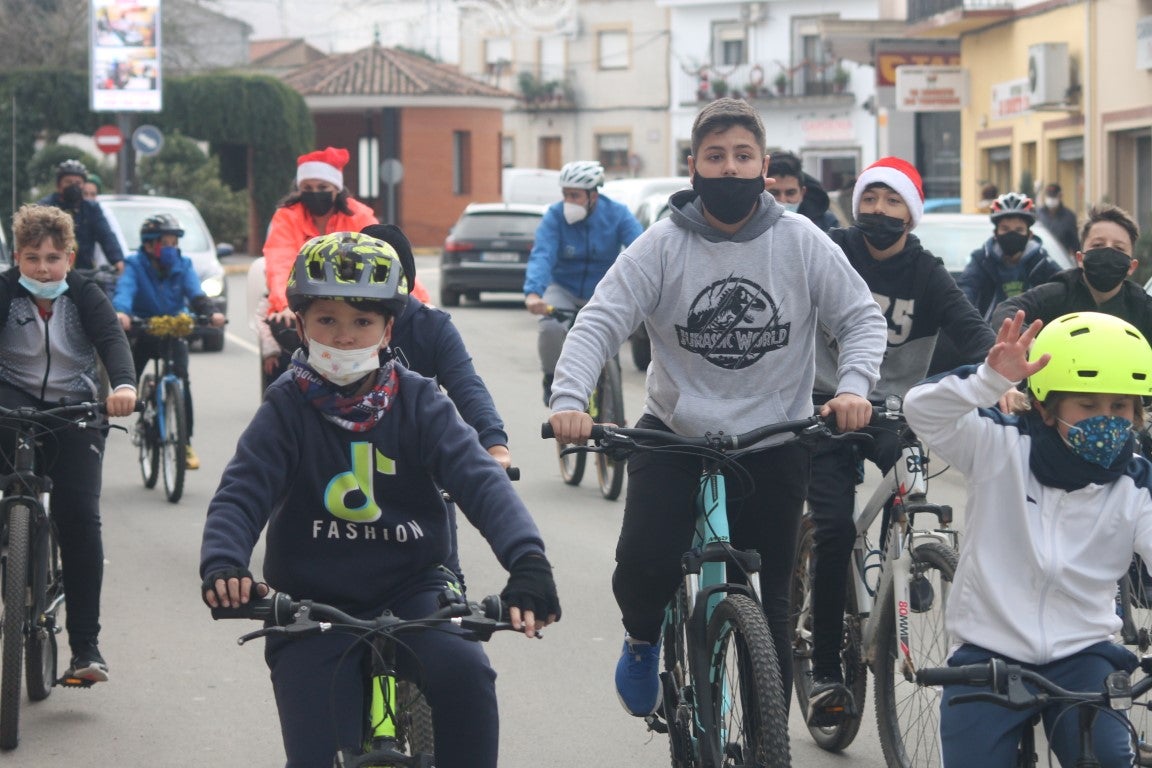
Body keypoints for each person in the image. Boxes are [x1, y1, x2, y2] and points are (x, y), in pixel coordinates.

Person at [545, 98, 887, 718]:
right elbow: (599, 320)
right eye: (715, 156)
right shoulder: (662, 245)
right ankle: (644, 640)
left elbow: (861, 318)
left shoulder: (800, 241)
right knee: (643, 567)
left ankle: (765, 742)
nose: (730, 169)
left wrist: (855, 386)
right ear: (693, 166)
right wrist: (570, 400)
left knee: (773, 604)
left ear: (763, 166)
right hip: (675, 434)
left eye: (743, 156)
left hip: (774, 440)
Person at [200, 231, 561, 768]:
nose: (344, 337)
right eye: (327, 320)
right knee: (316, 748)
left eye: (362, 322)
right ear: (299, 324)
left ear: (388, 327)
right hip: (309, 600)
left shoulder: (420, 401)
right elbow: (242, 491)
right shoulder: (285, 407)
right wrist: (225, 562)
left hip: (415, 587)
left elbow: (479, 481)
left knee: (468, 676)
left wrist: (528, 561)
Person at [903, 310, 1152, 767]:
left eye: (1119, 407)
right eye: (1088, 405)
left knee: (1110, 760)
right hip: (987, 651)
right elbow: (919, 409)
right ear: (1045, 404)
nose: (1106, 420)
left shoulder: (1137, 485)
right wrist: (987, 382)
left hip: (1085, 652)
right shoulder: (998, 444)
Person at [804, 157, 996, 726]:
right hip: (823, 403)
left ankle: (904, 564)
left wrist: (1006, 374)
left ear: (911, 215)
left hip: (894, 409)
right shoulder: (828, 250)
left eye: (894, 203)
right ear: (856, 203)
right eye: (871, 199)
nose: (879, 212)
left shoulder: (927, 272)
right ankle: (823, 668)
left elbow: (972, 329)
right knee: (836, 527)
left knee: (910, 480)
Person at [0, 204, 137, 682]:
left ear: (70, 258)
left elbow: (112, 342)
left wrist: (122, 387)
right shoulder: (3, 292)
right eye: (33, 257)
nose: (43, 268)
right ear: (17, 257)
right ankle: (10, 559)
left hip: (74, 409)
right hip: (10, 405)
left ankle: (85, 647)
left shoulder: (84, 294)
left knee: (79, 518)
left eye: (53, 257)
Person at [522, 160, 643, 405]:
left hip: (602, 289)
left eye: (575, 195)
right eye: (565, 194)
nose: (569, 201)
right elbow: (542, 254)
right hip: (563, 287)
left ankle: (613, 403)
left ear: (593, 196)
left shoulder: (617, 214)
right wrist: (534, 293)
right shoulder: (555, 216)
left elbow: (642, 249)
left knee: (611, 337)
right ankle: (550, 377)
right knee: (550, 328)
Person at [112, 213, 226, 470]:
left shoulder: (182, 264)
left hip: (174, 330)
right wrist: (122, 314)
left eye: (175, 243)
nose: (172, 248)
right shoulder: (135, 264)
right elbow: (124, 292)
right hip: (143, 330)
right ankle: (142, 421)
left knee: (182, 382)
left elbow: (195, 293)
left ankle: (185, 443)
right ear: (151, 243)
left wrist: (210, 313)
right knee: (130, 378)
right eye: (167, 242)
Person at [260, 147, 379, 383]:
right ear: (299, 190)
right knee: (281, 336)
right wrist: (286, 306)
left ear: (336, 188)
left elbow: (385, 257)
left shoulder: (360, 216)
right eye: (308, 189)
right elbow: (280, 261)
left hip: (356, 298)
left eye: (322, 188)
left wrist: (421, 301)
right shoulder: (286, 217)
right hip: (302, 299)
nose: (315, 194)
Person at [989, 204, 1152, 339]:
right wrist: (1027, 340)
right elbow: (1006, 310)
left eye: (1118, 248)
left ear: (1132, 266)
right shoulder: (1059, 293)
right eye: (1098, 245)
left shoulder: (1140, 306)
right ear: (1080, 259)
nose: (1108, 252)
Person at [957, 192, 1063, 321]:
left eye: (1019, 230)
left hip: (1035, 336)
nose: (1012, 235)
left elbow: (1065, 289)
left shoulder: (1043, 263)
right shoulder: (981, 260)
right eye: (1005, 229)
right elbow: (965, 290)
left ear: (1029, 235)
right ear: (995, 233)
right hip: (988, 336)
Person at [37, 159, 124, 272]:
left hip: (85, 275)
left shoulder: (92, 208)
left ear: (84, 185)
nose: (73, 186)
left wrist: (119, 262)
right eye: (68, 182)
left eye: (78, 183)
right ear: (58, 186)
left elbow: (106, 235)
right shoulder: (44, 207)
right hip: (50, 273)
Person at [766, 150, 839, 231]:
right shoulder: (751, 223)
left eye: (790, 193)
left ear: (802, 193)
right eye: (774, 193)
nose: (783, 200)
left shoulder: (826, 223)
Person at [1037, 182, 1080, 255]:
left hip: (1062, 258)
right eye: (1049, 196)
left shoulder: (1069, 217)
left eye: (1053, 196)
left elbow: (1075, 243)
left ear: (1060, 196)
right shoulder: (1038, 214)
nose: (1051, 199)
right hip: (1040, 256)